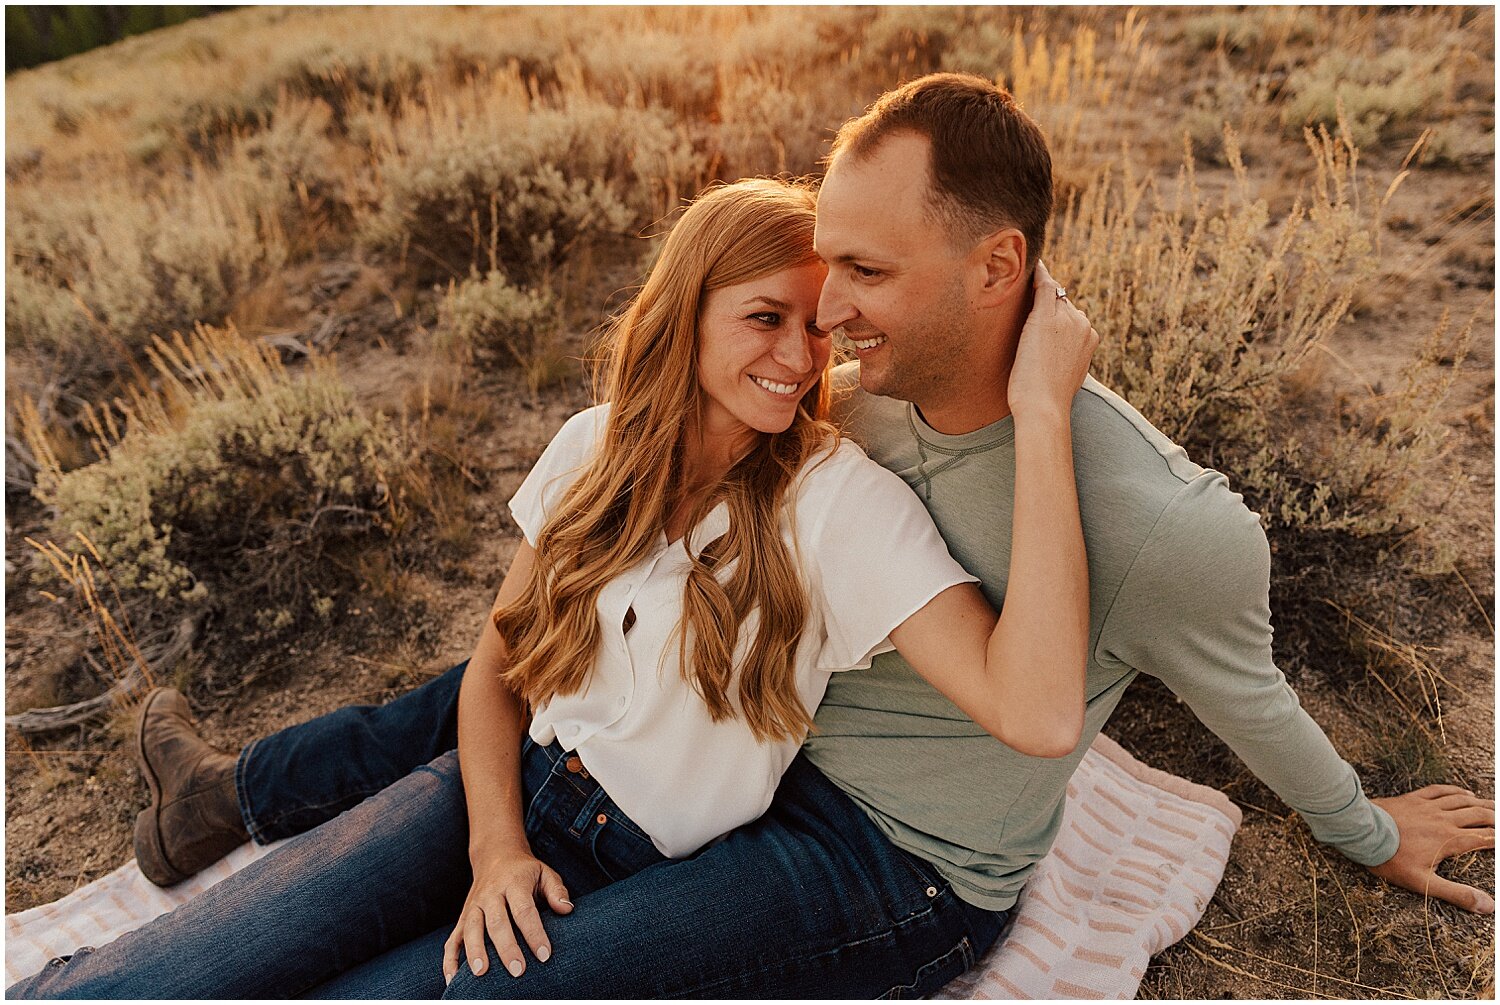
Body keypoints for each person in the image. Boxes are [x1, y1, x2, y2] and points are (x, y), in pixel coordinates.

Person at [15, 72, 1493, 999]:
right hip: (686, 751)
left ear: (999, 269)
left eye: (857, 274)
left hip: (881, 858)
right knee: (301, 878)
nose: (824, 330)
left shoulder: (1086, 514)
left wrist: (1367, 837)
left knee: (472, 983)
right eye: (802, 291)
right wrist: (492, 830)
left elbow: (1209, 699)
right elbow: (532, 647)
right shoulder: (847, 405)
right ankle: (223, 800)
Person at [10, 172, 1100, 999]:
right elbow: (494, 674)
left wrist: (1046, 414)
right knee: (182, 969)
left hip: (631, 860)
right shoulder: (592, 447)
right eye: (765, 317)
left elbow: (1040, 710)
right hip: (497, 793)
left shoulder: (837, 502)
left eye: (818, 327)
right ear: (689, 309)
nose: (800, 357)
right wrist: (494, 851)